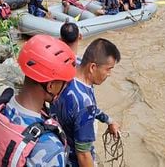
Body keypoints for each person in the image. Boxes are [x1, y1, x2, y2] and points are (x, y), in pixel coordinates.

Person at [0, 35, 76, 166]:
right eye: (63, 83)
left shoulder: (1, 108)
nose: (65, 87)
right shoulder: (50, 147)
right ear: (51, 86)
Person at [51, 38, 121, 167]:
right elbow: (83, 154)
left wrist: (108, 120)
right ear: (93, 67)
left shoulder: (72, 68)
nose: (109, 74)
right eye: (108, 69)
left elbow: (91, 108)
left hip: (58, 139)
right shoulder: (84, 105)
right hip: (71, 160)